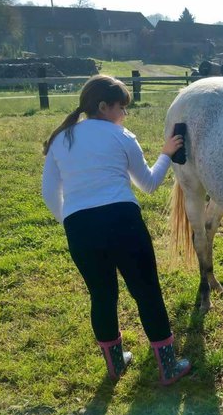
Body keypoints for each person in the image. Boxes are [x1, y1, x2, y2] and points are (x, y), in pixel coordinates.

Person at [41, 75, 191, 386]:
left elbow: (49, 192)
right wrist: (166, 153)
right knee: (147, 292)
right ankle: (168, 367)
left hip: (80, 227)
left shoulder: (61, 139)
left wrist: (69, 220)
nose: (124, 114)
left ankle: (115, 366)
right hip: (123, 221)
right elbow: (148, 184)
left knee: (101, 295)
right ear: (103, 106)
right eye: (121, 107)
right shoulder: (122, 137)